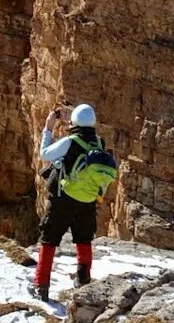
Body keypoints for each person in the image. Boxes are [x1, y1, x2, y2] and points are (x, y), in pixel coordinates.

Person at [31, 102, 119, 301]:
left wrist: (49, 128)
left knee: (49, 239)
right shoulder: (99, 143)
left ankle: (41, 285)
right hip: (88, 199)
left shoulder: (70, 141)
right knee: (83, 239)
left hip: (64, 198)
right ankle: (83, 279)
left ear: (74, 123)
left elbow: (45, 154)